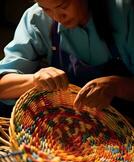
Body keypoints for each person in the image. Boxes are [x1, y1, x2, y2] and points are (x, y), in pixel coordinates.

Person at [0, 0, 134, 118]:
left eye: (63, 5)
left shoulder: (125, 12)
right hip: (64, 126)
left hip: (123, 127)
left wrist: (116, 86)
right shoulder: (37, 18)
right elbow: (2, 86)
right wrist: (34, 80)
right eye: (45, 8)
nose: (57, 16)